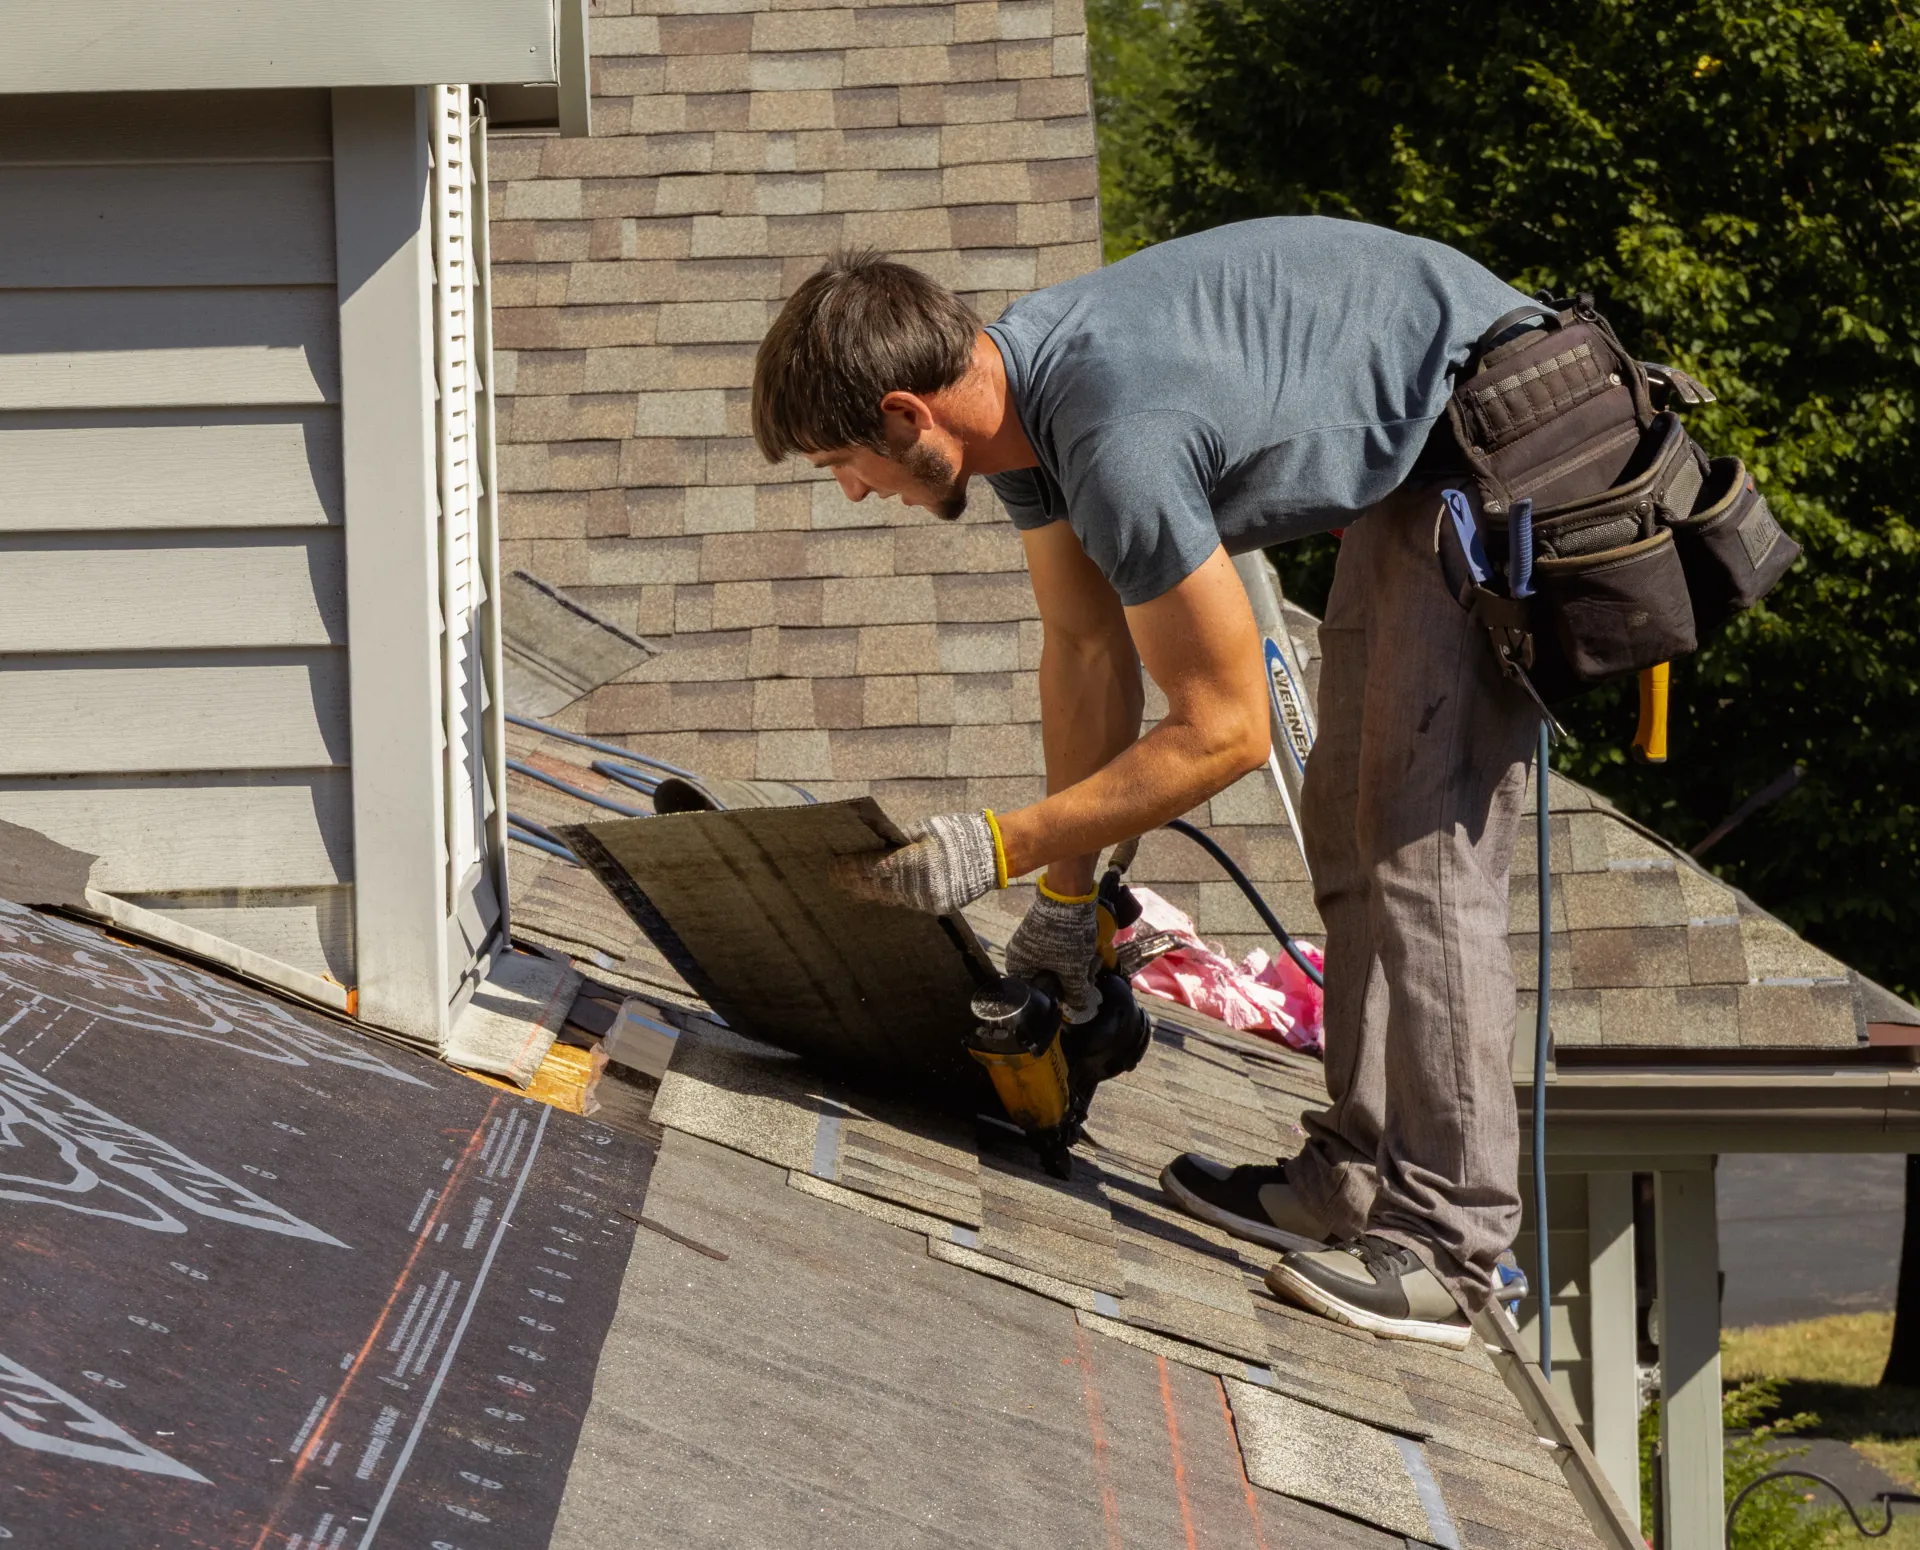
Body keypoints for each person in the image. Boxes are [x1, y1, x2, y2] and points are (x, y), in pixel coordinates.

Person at [749, 216, 1548, 1347]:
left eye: (845, 465)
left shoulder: (1111, 427)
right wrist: (1064, 908)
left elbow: (1222, 729)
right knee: (1351, 822)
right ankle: (1355, 1178)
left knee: (1418, 850)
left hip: (1500, 434)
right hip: (1425, 461)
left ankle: (1450, 1249)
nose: (853, 493)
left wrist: (993, 847)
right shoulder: (1020, 406)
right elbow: (1084, 652)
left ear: (904, 416)